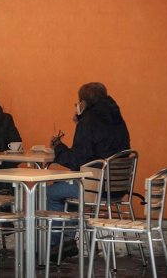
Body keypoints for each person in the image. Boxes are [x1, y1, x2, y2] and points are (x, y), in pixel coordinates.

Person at [47, 82, 130, 260]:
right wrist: (81, 122)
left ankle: (56, 244)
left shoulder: (89, 121)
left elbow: (77, 161)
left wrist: (58, 147)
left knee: (50, 192)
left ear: (83, 102)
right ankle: (67, 241)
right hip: (117, 188)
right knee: (70, 188)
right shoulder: (118, 119)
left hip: (95, 188)